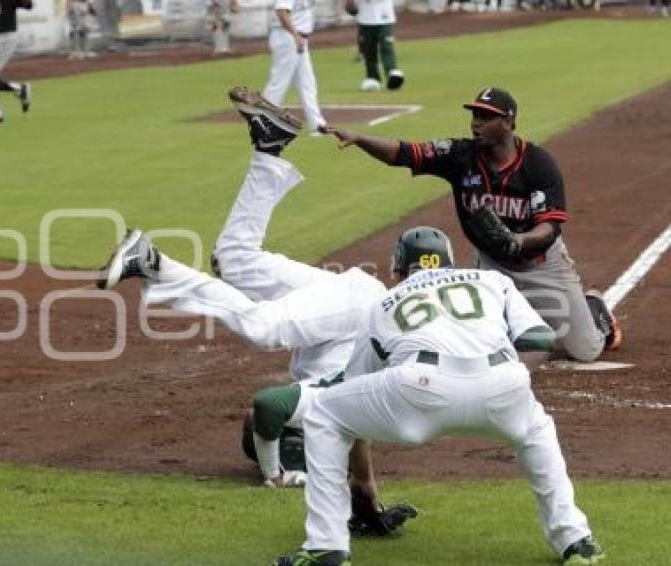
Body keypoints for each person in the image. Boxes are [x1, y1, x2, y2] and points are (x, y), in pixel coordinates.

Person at [97, 87, 411, 527]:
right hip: (359, 308)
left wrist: (372, 511)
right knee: (262, 329)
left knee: (235, 259)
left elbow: (274, 417)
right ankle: (155, 263)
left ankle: (271, 145)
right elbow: (267, 409)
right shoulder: (326, 409)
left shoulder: (337, 414)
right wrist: (274, 474)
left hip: (350, 310)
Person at [270, 227, 606, 566]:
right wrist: (501, 379)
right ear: (448, 262)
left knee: (325, 414)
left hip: (419, 388)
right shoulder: (491, 281)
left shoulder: (383, 303)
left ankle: (326, 545)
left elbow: (352, 386)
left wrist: (363, 480)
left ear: (399, 270)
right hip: (502, 382)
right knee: (537, 429)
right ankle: (575, 539)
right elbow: (539, 338)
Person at [322, 86, 622, 363]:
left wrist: (519, 242)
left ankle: (595, 307)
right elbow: (404, 153)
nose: (476, 122)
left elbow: (549, 228)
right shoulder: (459, 156)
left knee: (585, 351)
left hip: (541, 264)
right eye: (475, 115)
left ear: (508, 121)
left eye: (486, 117)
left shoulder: (538, 164)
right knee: (480, 345)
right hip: (491, 265)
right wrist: (360, 139)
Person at [263, 0, 327, 135]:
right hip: (288, 37)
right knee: (279, 82)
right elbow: (281, 11)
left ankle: (318, 125)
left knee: (307, 83)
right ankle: (262, 121)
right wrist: (295, 35)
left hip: (297, 38)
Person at [345, 0, 404, 92]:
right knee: (368, 50)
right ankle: (372, 77)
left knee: (386, 46)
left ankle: (392, 71)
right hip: (365, 18)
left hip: (384, 16)